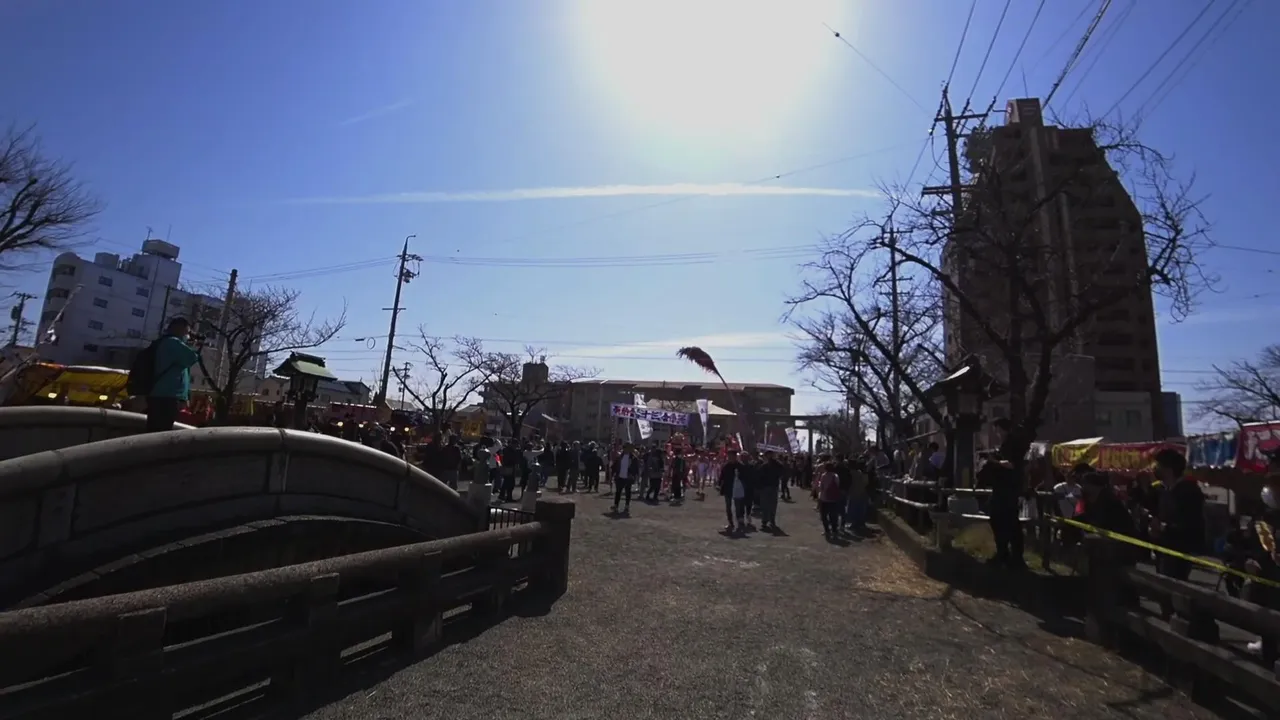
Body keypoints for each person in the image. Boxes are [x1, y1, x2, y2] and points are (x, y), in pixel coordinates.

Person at [144, 317, 201, 432]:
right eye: (187, 332)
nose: (188, 336)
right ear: (179, 329)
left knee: (158, 430)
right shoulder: (172, 342)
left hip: (161, 394)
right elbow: (192, 357)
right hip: (166, 397)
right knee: (161, 431)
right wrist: (195, 345)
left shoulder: (165, 343)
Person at [719, 451, 750, 533]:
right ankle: (730, 522)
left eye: (732, 456)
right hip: (728, 489)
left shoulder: (740, 466)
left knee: (738, 506)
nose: (730, 458)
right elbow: (722, 476)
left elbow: (745, 477)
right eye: (729, 456)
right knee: (728, 507)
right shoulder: (726, 466)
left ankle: (739, 521)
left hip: (737, 488)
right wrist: (719, 484)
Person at [756, 451, 783, 531]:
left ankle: (771, 520)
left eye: (771, 455)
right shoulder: (764, 465)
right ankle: (765, 521)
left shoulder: (776, 464)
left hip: (773, 487)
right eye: (768, 455)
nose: (770, 456)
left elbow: (782, 471)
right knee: (765, 505)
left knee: (772, 505)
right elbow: (759, 475)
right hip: (766, 487)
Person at [817, 462, 843, 538]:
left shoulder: (823, 476)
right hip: (833, 498)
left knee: (824, 516)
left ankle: (827, 531)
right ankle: (834, 531)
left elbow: (821, 487)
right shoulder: (836, 476)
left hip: (824, 498)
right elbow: (838, 485)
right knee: (833, 516)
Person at [611, 443, 639, 513]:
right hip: (620, 477)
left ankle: (627, 506)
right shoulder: (620, 456)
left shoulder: (633, 458)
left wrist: (634, 476)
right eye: (628, 448)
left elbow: (636, 469)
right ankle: (616, 505)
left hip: (628, 477)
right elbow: (614, 466)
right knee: (618, 492)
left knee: (628, 492)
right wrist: (612, 474)